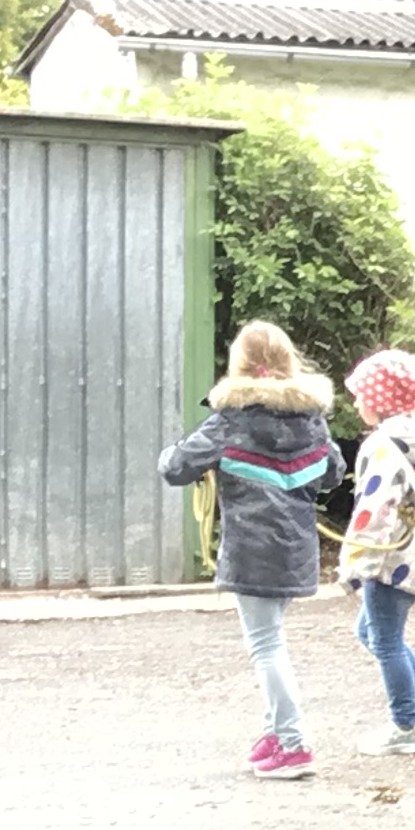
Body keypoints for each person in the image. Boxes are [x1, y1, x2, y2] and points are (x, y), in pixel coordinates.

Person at [159, 320, 342, 780]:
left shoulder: (229, 420)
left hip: (250, 550)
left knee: (266, 646)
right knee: (272, 637)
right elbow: (334, 474)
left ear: (237, 365)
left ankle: (294, 742)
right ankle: (274, 733)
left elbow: (177, 468)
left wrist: (174, 453)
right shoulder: (312, 419)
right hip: (296, 550)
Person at [337, 349, 415, 755]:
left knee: (385, 639)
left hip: (391, 553)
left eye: (362, 395)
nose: (356, 403)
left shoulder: (384, 444)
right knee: (369, 630)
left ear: (381, 400)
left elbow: (376, 505)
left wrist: (359, 560)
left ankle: (406, 724)